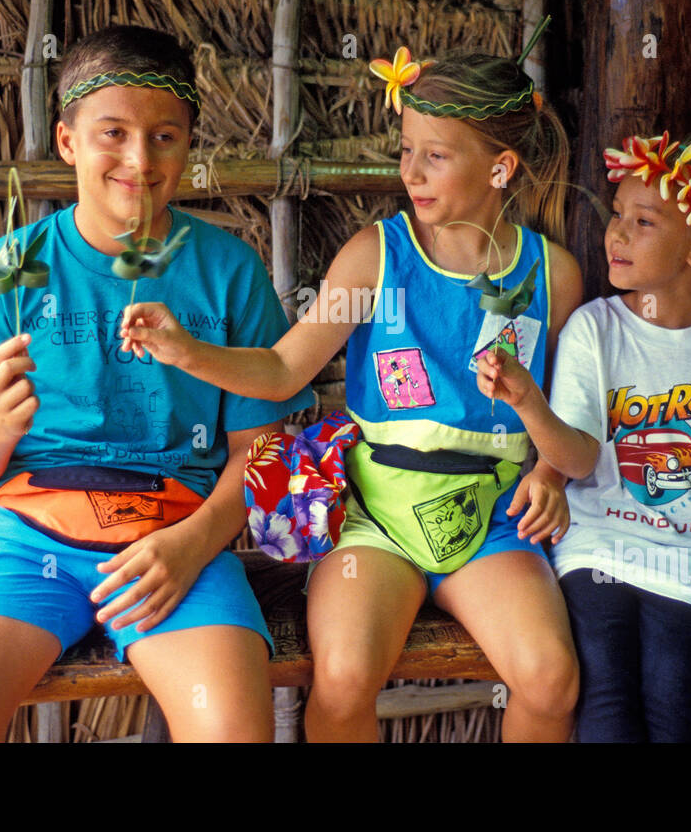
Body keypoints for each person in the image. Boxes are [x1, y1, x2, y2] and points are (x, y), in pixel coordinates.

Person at [121, 41, 584, 741]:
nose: (411, 172)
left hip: (489, 518)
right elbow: (282, 371)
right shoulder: (377, 258)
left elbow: (568, 416)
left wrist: (548, 472)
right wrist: (187, 351)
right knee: (341, 678)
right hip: (378, 520)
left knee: (552, 678)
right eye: (406, 150)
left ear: (500, 166)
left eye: (436, 155)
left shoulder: (553, 277)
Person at [0, 25, 312, 742]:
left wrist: (190, 547)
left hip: (178, 538)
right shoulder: (11, 269)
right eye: (112, 133)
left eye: (164, 137)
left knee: (233, 733)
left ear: (190, 144)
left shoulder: (229, 273)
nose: (138, 159)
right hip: (27, 540)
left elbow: (264, 451)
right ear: (66, 141)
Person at [476, 132, 691, 742]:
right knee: (604, 693)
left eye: (643, 221)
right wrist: (527, 399)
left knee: (672, 687)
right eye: (617, 217)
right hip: (596, 547)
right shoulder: (593, 331)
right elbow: (577, 459)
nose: (617, 234)